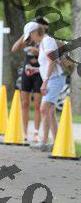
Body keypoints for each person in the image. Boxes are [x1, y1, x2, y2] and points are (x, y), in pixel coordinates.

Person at [26, 22, 66, 152]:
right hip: (52, 79)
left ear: (34, 32)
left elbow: (52, 61)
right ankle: (56, 143)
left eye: (30, 36)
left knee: (44, 108)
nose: (30, 39)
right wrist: (35, 70)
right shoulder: (44, 43)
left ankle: (44, 142)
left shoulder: (47, 41)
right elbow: (46, 65)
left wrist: (45, 81)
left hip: (55, 79)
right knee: (50, 111)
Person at [11, 16, 49, 142]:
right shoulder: (29, 39)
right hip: (27, 73)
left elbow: (49, 56)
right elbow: (14, 49)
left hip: (39, 73)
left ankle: (36, 132)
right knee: (24, 103)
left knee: (37, 104)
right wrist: (24, 34)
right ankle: (24, 131)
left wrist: (36, 51)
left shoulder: (44, 40)